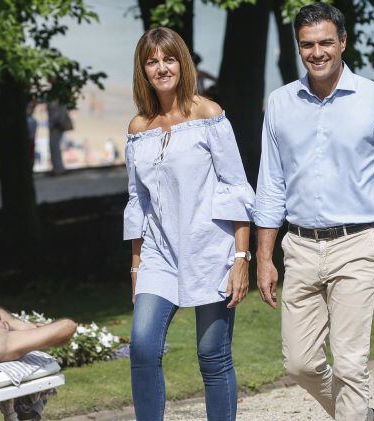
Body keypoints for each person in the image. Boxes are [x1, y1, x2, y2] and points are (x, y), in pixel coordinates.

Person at [254, 4, 374, 421]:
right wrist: (263, 258)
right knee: (300, 363)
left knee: (349, 364)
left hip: (360, 244)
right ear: (298, 47)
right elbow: (270, 185)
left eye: (326, 42)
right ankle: (362, 415)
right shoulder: (279, 103)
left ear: (343, 42)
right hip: (300, 246)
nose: (317, 52)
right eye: (307, 44)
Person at [125, 27, 254, 421]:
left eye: (168, 58)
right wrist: (136, 265)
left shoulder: (208, 115)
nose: (161, 68)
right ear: (143, 70)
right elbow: (138, 201)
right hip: (158, 256)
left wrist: (241, 257)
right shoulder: (138, 128)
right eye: (152, 61)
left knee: (212, 355)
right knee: (143, 348)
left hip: (211, 251)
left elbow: (236, 187)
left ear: (182, 62)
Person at [46, 100, 72, 175]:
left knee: (55, 148)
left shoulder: (57, 101)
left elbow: (56, 115)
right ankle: (58, 169)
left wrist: (55, 123)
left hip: (56, 127)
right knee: (55, 148)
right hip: (56, 126)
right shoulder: (60, 101)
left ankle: (58, 169)